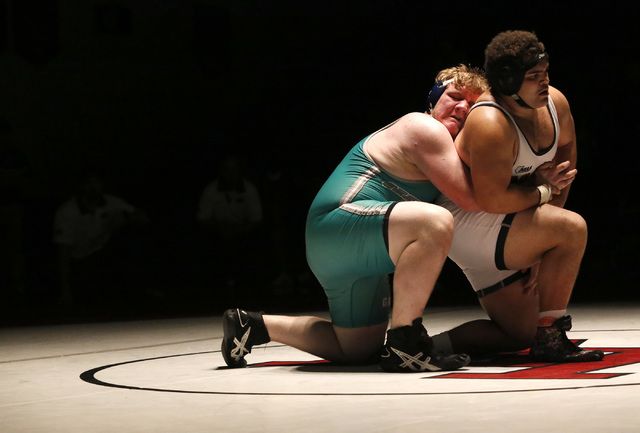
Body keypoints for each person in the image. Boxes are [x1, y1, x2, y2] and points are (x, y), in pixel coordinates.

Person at [220, 64, 488, 372]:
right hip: (337, 226)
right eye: (455, 96)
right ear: (433, 99)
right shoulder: (423, 126)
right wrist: (541, 189)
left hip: (353, 249)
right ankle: (406, 342)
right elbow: (471, 200)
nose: (463, 106)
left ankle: (253, 325)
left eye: (474, 104)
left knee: (357, 348)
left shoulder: (451, 151)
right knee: (435, 222)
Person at [432, 30, 603, 362]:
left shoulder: (556, 104)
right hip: (466, 221)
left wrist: (539, 247)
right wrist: (542, 197)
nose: (544, 82)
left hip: (502, 222)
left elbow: (563, 177)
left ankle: (427, 345)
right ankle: (551, 337)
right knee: (571, 229)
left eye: (545, 73)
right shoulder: (490, 121)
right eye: (534, 77)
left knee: (518, 333)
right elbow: (492, 200)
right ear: (508, 81)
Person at [53, 169, 150, 305]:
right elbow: (63, 252)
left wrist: (124, 219)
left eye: (97, 182)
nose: (93, 186)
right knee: (86, 295)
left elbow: (141, 217)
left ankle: (142, 289)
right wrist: (65, 290)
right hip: (79, 258)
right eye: (89, 183)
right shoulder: (67, 211)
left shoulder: (111, 202)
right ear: (80, 186)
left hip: (102, 253)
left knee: (131, 234)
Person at [196, 154, 264, 295]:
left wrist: (239, 230)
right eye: (226, 170)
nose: (230, 174)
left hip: (243, 231)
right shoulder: (211, 190)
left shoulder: (249, 189)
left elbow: (257, 219)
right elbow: (203, 218)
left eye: (233, 169)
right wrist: (222, 228)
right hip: (217, 232)